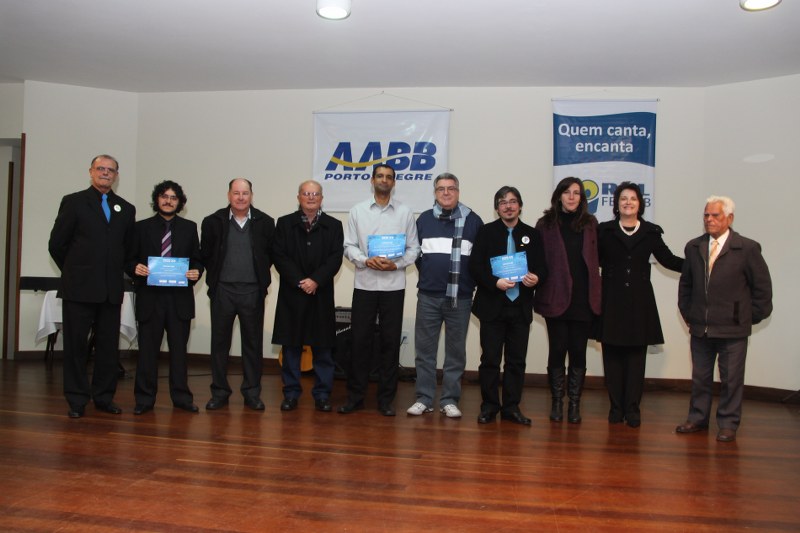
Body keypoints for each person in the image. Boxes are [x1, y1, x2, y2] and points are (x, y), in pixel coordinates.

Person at [675, 195, 772, 443]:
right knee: (700, 378)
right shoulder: (693, 247)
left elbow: (762, 290)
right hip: (701, 329)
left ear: (729, 218)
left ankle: (728, 424)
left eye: (715, 215)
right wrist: (689, 314)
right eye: (706, 215)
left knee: (731, 380)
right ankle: (697, 418)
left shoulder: (747, 248)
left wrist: (745, 318)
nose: (709, 219)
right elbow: (686, 286)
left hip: (733, 331)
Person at [48, 154, 136, 418]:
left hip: (110, 291)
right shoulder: (74, 202)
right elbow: (57, 245)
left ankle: (104, 397)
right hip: (79, 290)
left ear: (116, 175)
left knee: (108, 348)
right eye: (101, 169)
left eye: (111, 170)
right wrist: (75, 271)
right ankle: (76, 399)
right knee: (76, 347)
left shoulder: (126, 208)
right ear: (91, 172)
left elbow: (127, 250)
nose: (105, 173)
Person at [597, 182, 683, 427]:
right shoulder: (604, 231)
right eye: (623, 198)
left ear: (640, 204)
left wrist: (701, 265)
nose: (628, 203)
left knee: (636, 360)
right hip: (611, 302)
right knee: (612, 358)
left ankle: (633, 409)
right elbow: (592, 260)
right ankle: (616, 408)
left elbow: (669, 260)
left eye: (633, 199)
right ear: (616, 204)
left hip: (640, 303)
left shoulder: (651, 232)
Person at [338, 164, 420, 417]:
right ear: (372, 180)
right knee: (359, 341)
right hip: (365, 284)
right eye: (380, 176)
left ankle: (386, 400)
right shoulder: (357, 211)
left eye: (389, 177)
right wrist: (365, 260)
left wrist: (397, 264)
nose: (384, 180)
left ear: (394, 183)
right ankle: (355, 397)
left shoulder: (405, 213)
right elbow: (349, 246)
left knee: (390, 342)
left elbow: (414, 249)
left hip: (393, 286)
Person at [406, 173, 483, 419]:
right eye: (441, 189)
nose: (446, 193)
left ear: (458, 191)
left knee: (455, 353)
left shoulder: (473, 221)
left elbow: (479, 259)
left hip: (461, 298)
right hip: (428, 296)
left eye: (451, 188)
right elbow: (416, 255)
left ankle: (449, 400)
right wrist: (432, 275)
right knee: (424, 351)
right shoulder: (424, 220)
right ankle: (424, 398)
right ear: (435, 193)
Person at [470, 186, 547, 425]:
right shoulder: (486, 232)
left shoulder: (532, 234)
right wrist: (495, 282)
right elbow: (475, 267)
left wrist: (536, 278)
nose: (508, 206)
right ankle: (489, 406)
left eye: (513, 201)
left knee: (516, 361)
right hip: (492, 306)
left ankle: (512, 407)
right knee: (490, 360)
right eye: (503, 202)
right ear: (497, 208)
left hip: (520, 306)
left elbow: (542, 267)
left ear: (520, 206)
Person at [127, 180, 204, 415]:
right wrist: (135, 268)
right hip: (150, 299)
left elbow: (197, 259)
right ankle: (144, 399)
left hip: (179, 300)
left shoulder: (189, 227)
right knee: (147, 353)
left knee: (179, 353)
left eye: (173, 197)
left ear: (179, 202)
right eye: (164, 196)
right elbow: (128, 258)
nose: (168, 201)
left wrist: (196, 272)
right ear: (157, 199)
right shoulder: (141, 227)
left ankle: (181, 398)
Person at [201, 178, 275, 411]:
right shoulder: (213, 221)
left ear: (251, 195)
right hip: (223, 290)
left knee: (253, 344)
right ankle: (219, 392)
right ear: (229, 195)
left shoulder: (265, 222)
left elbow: (268, 255)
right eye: (236, 193)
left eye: (245, 193)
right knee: (219, 344)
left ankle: (252, 392)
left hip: (252, 291)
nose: (241, 197)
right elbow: (206, 255)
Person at [272, 180, 343, 413]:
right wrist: (300, 281)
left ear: (322, 198)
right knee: (291, 347)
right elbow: (279, 255)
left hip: (320, 294)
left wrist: (316, 280)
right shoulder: (284, 223)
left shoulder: (334, 225)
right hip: (292, 294)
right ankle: (291, 393)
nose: (311, 197)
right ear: (298, 197)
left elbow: (335, 258)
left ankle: (322, 395)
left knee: (323, 349)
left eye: (315, 194)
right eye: (306, 193)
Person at [534, 177, 601, 424]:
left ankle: (574, 404)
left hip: (583, 299)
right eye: (567, 192)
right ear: (559, 195)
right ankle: (556, 403)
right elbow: (537, 259)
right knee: (557, 350)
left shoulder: (591, 223)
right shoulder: (545, 224)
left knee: (578, 352)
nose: (572, 197)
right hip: (556, 297)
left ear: (582, 198)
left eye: (576, 193)